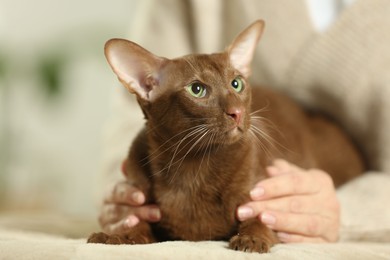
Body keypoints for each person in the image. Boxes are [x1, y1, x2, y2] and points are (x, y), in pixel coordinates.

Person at [98, 0, 390, 244]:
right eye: (198, 90)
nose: (235, 109)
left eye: (238, 84)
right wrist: (125, 199)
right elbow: (126, 122)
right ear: (144, 84)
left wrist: (347, 212)